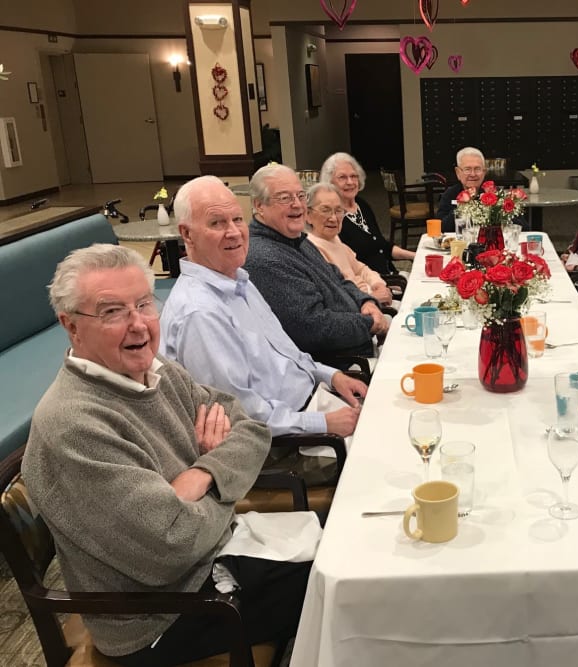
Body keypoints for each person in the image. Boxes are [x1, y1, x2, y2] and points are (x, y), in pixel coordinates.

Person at [23, 244, 310, 666]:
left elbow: (250, 428)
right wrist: (223, 478)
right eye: (112, 312)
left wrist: (203, 474)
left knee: (350, 553)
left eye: (143, 303)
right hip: (161, 618)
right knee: (345, 587)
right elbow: (171, 547)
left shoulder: (156, 371)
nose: (138, 324)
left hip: (214, 562)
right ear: (71, 327)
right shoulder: (75, 424)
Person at [160, 176, 367, 486]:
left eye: (237, 219)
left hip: (310, 406)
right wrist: (322, 423)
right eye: (217, 223)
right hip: (279, 449)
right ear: (186, 233)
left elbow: (287, 353)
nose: (233, 232)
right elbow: (241, 416)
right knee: (383, 465)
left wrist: (330, 375)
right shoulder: (200, 313)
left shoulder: (237, 280)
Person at [244, 163, 389, 360]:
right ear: (259, 206)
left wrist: (367, 302)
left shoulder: (296, 240)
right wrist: (369, 323)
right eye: (285, 198)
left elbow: (338, 278)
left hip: (359, 341)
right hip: (343, 366)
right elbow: (313, 327)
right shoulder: (266, 259)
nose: (297, 204)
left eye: (300, 196)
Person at [318, 152, 415, 275]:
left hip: (390, 275)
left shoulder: (361, 205)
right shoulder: (331, 218)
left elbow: (381, 245)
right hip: (369, 286)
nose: (350, 182)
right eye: (342, 177)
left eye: (354, 176)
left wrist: (415, 255)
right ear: (329, 182)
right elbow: (344, 269)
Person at [305, 182, 393, 306]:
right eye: (326, 210)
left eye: (339, 211)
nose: (334, 218)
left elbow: (361, 269)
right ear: (307, 215)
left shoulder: (335, 239)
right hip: (359, 311)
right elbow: (335, 297)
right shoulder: (312, 248)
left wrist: (378, 284)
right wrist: (371, 297)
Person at [436, 146, 487, 233]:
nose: (473, 174)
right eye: (467, 169)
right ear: (458, 173)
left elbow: (516, 223)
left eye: (477, 169)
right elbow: (440, 227)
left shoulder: (493, 193)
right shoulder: (450, 194)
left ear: (484, 172)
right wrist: (461, 206)